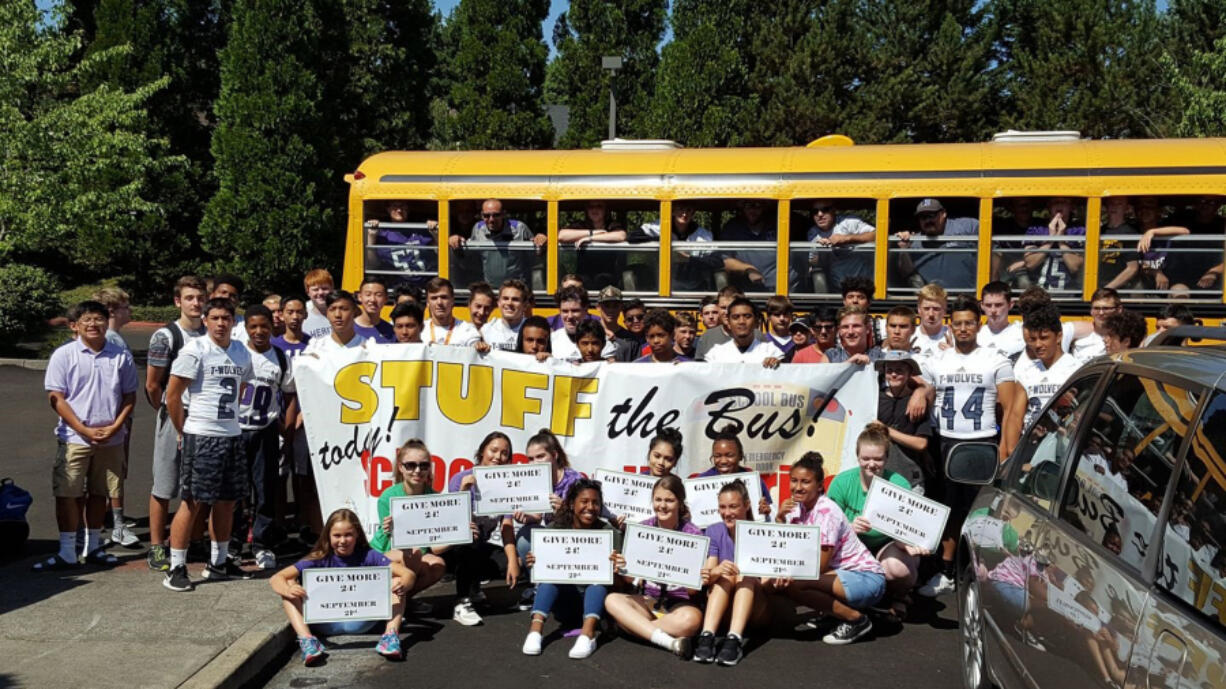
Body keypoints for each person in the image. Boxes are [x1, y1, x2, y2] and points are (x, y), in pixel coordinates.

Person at [917, 296, 1022, 598]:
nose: (963, 329)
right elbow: (924, 389)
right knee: (949, 510)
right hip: (947, 440)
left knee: (983, 512)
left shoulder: (995, 359)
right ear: (951, 324)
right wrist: (921, 393)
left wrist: (1004, 450)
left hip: (982, 441)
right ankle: (947, 571)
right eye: (958, 323)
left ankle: (985, 571)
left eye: (969, 323)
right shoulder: (936, 361)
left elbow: (1009, 407)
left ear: (978, 325)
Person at [36, 301, 139, 571]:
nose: (93, 324)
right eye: (87, 320)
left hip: (111, 438)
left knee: (100, 493)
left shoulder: (120, 355)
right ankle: (67, 550)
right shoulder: (64, 355)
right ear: (75, 326)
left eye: (99, 319)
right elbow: (56, 398)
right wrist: (83, 429)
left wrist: (116, 426)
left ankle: (93, 547)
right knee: (67, 493)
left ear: (107, 322)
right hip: (74, 437)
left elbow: (129, 395)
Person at [163, 297, 256, 592]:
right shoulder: (195, 350)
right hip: (201, 434)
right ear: (205, 320)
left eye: (225, 318)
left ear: (233, 321)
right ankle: (176, 566)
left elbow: (242, 388)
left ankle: (219, 561)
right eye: (214, 318)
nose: (220, 323)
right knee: (193, 500)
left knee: (228, 500)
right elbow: (173, 396)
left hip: (230, 433)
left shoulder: (241, 351)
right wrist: (183, 430)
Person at [773, 452, 887, 645]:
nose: (798, 487)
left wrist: (788, 575)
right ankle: (835, 614)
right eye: (794, 480)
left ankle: (857, 620)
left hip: (866, 578)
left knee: (795, 584)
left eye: (805, 482)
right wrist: (779, 519)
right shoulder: (796, 508)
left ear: (819, 486)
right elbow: (787, 548)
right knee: (788, 583)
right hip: (839, 575)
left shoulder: (827, 511)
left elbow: (821, 566)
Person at [271, 508, 409, 665]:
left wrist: (404, 583)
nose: (343, 540)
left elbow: (407, 574)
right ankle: (307, 641)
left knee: (397, 579)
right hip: (324, 623)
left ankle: (390, 636)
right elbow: (277, 578)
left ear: (357, 534)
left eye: (348, 535)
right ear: (328, 536)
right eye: (337, 535)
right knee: (289, 582)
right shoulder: (319, 558)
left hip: (362, 620)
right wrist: (288, 590)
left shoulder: (368, 555)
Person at [826, 423, 928, 619]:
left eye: (878, 459)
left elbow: (911, 527)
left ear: (887, 459)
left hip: (885, 545)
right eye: (865, 458)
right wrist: (849, 527)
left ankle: (900, 595)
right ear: (857, 457)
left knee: (899, 567)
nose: (871, 464)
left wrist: (910, 542)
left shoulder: (899, 484)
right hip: (851, 549)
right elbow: (827, 527)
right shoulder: (841, 482)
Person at [144, 275, 208, 571]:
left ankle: (190, 539)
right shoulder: (166, 336)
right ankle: (157, 545)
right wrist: (169, 414)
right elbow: (153, 385)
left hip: (203, 419)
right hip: (174, 417)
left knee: (195, 484)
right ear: (177, 301)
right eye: (190, 298)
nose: (196, 303)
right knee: (165, 482)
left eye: (199, 298)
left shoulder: (211, 333)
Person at [520, 478, 624, 659]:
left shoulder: (608, 533)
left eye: (596, 503)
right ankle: (535, 631)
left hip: (594, 603)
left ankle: (588, 634)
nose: (590, 507)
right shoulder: (555, 528)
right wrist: (535, 562)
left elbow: (620, 584)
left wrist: (617, 569)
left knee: (598, 581)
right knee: (550, 577)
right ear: (571, 504)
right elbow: (543, 568)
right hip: (563, 601)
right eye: (584, 501)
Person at [604, 475, 703, 657]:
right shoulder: (642, 528)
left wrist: (689, 575)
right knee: (612, 600)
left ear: (680, 503)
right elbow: (629, 579)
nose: (662, 505)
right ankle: (670, 642)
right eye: (658, 500)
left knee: (692, 621)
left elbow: (693, 592)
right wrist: (622, 567)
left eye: (669, 500)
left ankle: (631, 628)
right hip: (648, 601)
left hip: (678, 605)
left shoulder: (694, 534)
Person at [234, 305, 297, 570]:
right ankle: (233, 544)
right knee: (236, 491)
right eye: (253, 327)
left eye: (264, 326)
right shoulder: (236, 353)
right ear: (246, 328)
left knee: (265, 489)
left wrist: (288, 427)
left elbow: (290, 393)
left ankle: (262, 544)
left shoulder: (280, 357)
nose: (259, 332)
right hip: (236, 430)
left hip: (266, 430)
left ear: (273, 327)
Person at [446, 432, 521, 626]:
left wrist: (513, 561)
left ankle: (474, 586)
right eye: (493, 450)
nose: (498, 457)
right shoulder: (460, 479)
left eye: (504, 453)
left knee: (510, 561)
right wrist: (463, 491)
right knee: (469, 536)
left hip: (479, 545)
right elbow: (450, 521)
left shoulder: (506, 486)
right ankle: (461, 602)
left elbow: (506, 527)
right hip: (453, 547)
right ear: (482, 452)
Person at [692, 479, 770, 665]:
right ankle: (707, 636)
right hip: (724, 608)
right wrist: (717, 571)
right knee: (725, 573)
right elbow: (708, 576)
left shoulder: (763, 532)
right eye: (722, 507)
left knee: (744, 575)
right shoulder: (714, 531)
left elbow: (769, 583)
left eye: (733, 506)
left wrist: (777, 582)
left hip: (756, 608)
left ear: (747, 505)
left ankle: (734, 639)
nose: (727, 513)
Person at [368, 440, 447, 597]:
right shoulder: (388, 497)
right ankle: (394, 604)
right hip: (386, 550)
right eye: (411, 465)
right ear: (401, 467)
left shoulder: (435, 498)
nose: (417, 471)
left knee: (438, 565)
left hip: (418, 551)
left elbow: (436, 546)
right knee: (412, 554)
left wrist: (462, 534)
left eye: (423, 465)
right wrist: (390, 529)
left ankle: (405, 601)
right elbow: (395, 541)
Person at [91, 286, 138, 547]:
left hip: (113, 415)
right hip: (114, 415)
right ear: (112, 311)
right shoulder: (113, 340)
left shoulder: (113, 337)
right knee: (113, 470)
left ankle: (107, 520)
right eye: (125, 307)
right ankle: (114, 524)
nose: (129, 311)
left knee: (109, 471)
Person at [1014, 304, 1082, 429]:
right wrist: (1012, 448)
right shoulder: (1025, 371)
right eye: (1033, 339)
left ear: (1059, 337)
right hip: (1030, 441)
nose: (1038, 344)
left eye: (1044, 338)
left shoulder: (1076, 370)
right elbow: (1015, 417)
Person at [873, 352, 933, 493]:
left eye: (899, 370)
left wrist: (886, 430)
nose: (894, 374)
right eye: (889, 370)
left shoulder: (918, 403)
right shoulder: (875, 399)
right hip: (880, 477)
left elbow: (921, 443)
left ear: (909, 373)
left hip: (910, 478)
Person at [449, 199, 545, 286]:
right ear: (481, 215)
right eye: (486, 216)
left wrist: (541, 240)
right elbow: (470, 258)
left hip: (516, 287)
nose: (491, 220)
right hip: (489, 286)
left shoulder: (519, 228)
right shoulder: (478, 228)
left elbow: (536, 255)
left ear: (504, 214)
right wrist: (456, 240)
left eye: (496, 215)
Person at [896, 199, 978, 290]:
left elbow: (993, 252)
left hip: (968, 297)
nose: (928, 220)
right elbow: (906, 273)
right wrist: (903, 249)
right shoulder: (914, 242)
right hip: (933, 301)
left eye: (931, 216)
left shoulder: (968, 227)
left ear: (943, 214)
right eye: (923, 217)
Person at [696, 425, 772, 520]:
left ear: (740, 456)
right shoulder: (701, 480)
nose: (723, 461)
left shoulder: (754, 480)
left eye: (729, 455)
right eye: (717, 456)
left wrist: (766, 512)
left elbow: (768, 512)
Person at [721, 199, 795, 291]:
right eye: (748, 206)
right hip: (745, 290)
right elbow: (725, 261)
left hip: (780, 289)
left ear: (764, 208)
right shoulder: (732, 228)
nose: (752, 210)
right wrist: (749, 269)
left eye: (757, 206)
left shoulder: (780, 224)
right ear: (742, 208)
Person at [805, 199, 876, 293]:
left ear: (834, 210)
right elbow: (814, 262)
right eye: (815, 211)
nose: (820, 214)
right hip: (837, 286)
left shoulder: (849, 222)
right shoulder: (812, 233)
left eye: (825, 209)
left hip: (863, 283)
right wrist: (821, 250)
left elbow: (877, 234)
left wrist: (847, 238)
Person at [364, 199, 438, 285]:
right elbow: (373, 264)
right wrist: (371, 237)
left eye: (403, 206)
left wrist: (435, 234)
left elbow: (437, 253)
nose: (399, 210)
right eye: (395, 206)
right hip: (397, 286)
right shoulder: (382, 234)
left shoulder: (419, 229)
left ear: (408, 209)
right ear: (388, 209)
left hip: (425, 284)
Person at [559, 200, 628, 289]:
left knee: (602, 279)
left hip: (607, 275)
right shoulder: (581, 226)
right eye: (591, 207)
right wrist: (593, 232)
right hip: (584, 274)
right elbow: (561, 235)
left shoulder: (611, 225)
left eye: (599, 206)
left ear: (605, 210)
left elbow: (621, 235)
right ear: (587, 210)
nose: (594, 210)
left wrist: (590, 238)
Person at [1022, 197, 1085, 292]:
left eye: (1064, 202)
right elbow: (1030, 263)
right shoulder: (1036, 229)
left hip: (1069, 293)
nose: (1059, 205)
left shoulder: (1080, 231)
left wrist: (1061, 240)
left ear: (1071, 207)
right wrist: (1051, 239)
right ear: (1049, 206)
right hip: (1039, 293)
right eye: (1055, 202)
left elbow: (1074, 267)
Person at [655, 201, 720, 292]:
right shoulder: (658, 228)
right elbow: (636, 236)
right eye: (680, 209)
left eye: (689, 210)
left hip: (695, 286)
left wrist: (689, 259)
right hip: (663, 287)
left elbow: (716, 261)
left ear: (693, 213)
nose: (684, 214)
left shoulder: (704, 235)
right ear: (672, 211)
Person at [1166, 195, 1225, 294]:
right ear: (1196, 204)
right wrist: (1151, 232)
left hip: (1213, 278)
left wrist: (1213, 272)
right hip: (1182, 275)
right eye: (1201, 201)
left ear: (1218, 206)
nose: (1205, 205)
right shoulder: (1183, 220)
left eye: (1210, 202)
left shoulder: (1223, 224)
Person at [704, 297, 784, 367]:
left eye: (747, 316)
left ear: (756, 321)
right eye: (735, 317)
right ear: (728, 322)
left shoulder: (771, 352)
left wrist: (777, 364)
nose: (741, 321)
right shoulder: (716, 354)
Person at [1133, 196, 1192, 290]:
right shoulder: (1132, 231)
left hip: (1171, 283)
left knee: (1180, 291)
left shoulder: (1166, 228)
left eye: (1149, 206)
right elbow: (1138, 266)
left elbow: (1185, 232)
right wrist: (1156, 272)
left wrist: (1152, 232)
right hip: (1145, 283)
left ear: (1158, 211)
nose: (1144, 209)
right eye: (1140, 207)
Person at [421, 277, 481, 346]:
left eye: (444, 297)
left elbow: (475, 347)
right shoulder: (419, 330)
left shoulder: (467, 329)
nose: (439, 302)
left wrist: (478, 346)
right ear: (427, 303)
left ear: (452, 300)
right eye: (434, 298)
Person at [1099, 196, 1142, 290]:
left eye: (1119, 204)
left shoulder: (1129, 232)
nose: (1114, 207)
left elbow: (1132, 268)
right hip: (1097, 285)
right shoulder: (1099, 231)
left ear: (1126, 208)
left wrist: (1108, 289)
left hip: (1118, 289)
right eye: (1111, 204)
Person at [305, 291, 367, 355]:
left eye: (344, 309)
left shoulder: (368, 347)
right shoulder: (315, 348)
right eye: (332, 309)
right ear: (327, 314)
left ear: (355, 312)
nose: (337, 315)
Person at [977, 281, 1025, 357]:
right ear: (982, 306)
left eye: (998, 305)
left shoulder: (1023, 334)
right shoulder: (975, 336)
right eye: (988, 305)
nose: (993, 310)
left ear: (1010, 304)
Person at [481, 279, 530, 351]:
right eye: (505, 298)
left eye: (515, 299)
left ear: (525, 305)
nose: (509, 303)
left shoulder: (535, 330)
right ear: (498, 303)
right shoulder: (486, 330)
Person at [912, 283, 951, 358]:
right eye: (926, 308)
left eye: (936, 309)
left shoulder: (952, 337)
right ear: (919, 309)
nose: (931, 314)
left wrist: (954, 354)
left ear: (944, 310)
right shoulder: (909, 336)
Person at [353, 276, 394, 343]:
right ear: (359, 297)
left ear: (386, 299)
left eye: (378, 295)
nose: (373, 300)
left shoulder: (391, 332)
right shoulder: (347, 329)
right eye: (368, 294)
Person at [211, 274, 249, 343]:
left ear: (238, 301)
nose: (226, 297)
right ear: (212, 295)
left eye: (232, 295)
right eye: (223, 292)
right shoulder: (200, 322)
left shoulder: (246, 326)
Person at [301, 269, 336, 340]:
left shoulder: (342, 312)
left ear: (332, 289)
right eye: (315, 289)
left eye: (324, 288)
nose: (320, 293)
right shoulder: (302, 315)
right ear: (308, 292)